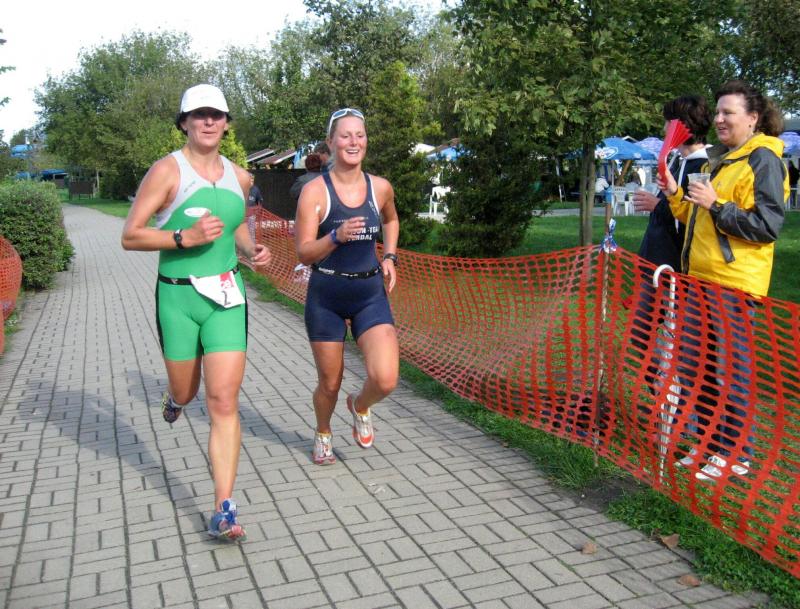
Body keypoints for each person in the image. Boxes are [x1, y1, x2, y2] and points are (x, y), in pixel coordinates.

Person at [121, 84, 272, 540]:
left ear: (226, 124)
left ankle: (224, 507)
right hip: (178, 299)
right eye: (199, 114)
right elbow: (131, 235)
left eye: (216, 115)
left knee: (223, 401)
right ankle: (175, 399)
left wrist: (251, 251)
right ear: (184, 122)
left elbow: (236, 227)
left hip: (226, 297)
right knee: (187, 392)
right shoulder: (167, 171)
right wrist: (183, 238)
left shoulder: (240, 177)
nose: (208, 121)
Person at [659, 80, 789, 481]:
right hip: (699, 280)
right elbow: (698, 219)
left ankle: (736, 453)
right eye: (717, 112)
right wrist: (677, 195)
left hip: (733, 286)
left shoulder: (764, 160)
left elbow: (766, 226)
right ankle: (709, 444)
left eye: (728, 112)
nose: (718, 119)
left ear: (753, 118)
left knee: (730, 372)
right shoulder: (723, 160)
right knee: (696, 368)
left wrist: (717, 205)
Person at [294, 107, 400, 465]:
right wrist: (335, 237)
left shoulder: (380, 187)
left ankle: (360, 405)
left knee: (385, 379)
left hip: (369, 294)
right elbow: (304, 252)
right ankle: (323, 432)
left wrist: (390, 256)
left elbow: (391, 219)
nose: (354, 142)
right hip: (327, 297)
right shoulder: (314, 192)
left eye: (360, 135)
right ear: (331, 142)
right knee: (330, 384)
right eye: (345, 135)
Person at [633, 95, 712, 269]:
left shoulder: (704, 167)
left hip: (673, 266)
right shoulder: (677, 161)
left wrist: (657, 205)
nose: (664, 128)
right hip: (654, 259)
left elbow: (697, 218)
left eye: (668, 122)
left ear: (682, 125)